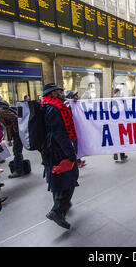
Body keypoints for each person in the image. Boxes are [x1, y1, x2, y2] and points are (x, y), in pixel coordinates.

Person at [40, 83, 79, 230]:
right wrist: (70, 153)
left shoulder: (47, 105)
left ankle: (63, 206)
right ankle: (57, 210)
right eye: (60, 91)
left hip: (50, 150)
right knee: (70, 176)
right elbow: (60, 134)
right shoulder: (55, 109)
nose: (62, 93)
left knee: (57, 178)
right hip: (58, 151)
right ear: (54, 93)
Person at [0, 100, 26, 178]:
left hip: (17, 133)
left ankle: (19, 170)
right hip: (18, 132)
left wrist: (14, 133)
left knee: (17, 151)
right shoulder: (7, 110)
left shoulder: (1, 111)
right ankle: (20, 169)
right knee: (17, 151)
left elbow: (12, 123)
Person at [65, 91, 86, 168]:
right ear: (70, 97)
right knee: (74, 145)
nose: (77, 97)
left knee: (77, 144)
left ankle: (78, 160)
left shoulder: (74, 104)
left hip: (75, 128)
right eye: (75, 96)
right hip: (71, 130)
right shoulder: (68, 105)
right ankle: (75, 162)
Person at [113, 88, 128, 162]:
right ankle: (122, 156)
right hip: (120, 122)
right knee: (121, 139)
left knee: (116, 138)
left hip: (114, 122)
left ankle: (115, 151)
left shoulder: (111, 100)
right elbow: (123, 110)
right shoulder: (120, 100)